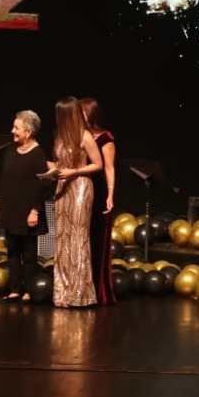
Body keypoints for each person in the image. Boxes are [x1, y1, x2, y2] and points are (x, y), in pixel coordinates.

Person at [49, 96, 103, 308]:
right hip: (63, 187)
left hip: (80, 187)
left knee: (78, 237)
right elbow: (60, 162)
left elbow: (97, 164)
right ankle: (63, 292)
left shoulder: (85, 136)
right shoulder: (60, 137)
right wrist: (51, 169)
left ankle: (80, 294)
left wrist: (75, 171)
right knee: (62, 238)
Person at [0, 110, 50, 302]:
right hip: (10, 209)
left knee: (29, 254)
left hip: (28, 212)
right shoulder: (10, 150)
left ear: (28, 131)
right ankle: (15, 289)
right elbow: (2, 180)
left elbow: (42, 186)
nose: (12, 131)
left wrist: (35, 211)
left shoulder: (38, 154)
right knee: (13, 252)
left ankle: (29, 290)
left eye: (16, 128)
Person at [80, 97, 117, 305]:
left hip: (100, 191)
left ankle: (99, 290)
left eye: (82, 112)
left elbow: (109, 167)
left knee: (98, 240)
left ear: (91, 114)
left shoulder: (105, 138)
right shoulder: (80, 136)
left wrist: (110, 194)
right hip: (81, 192)